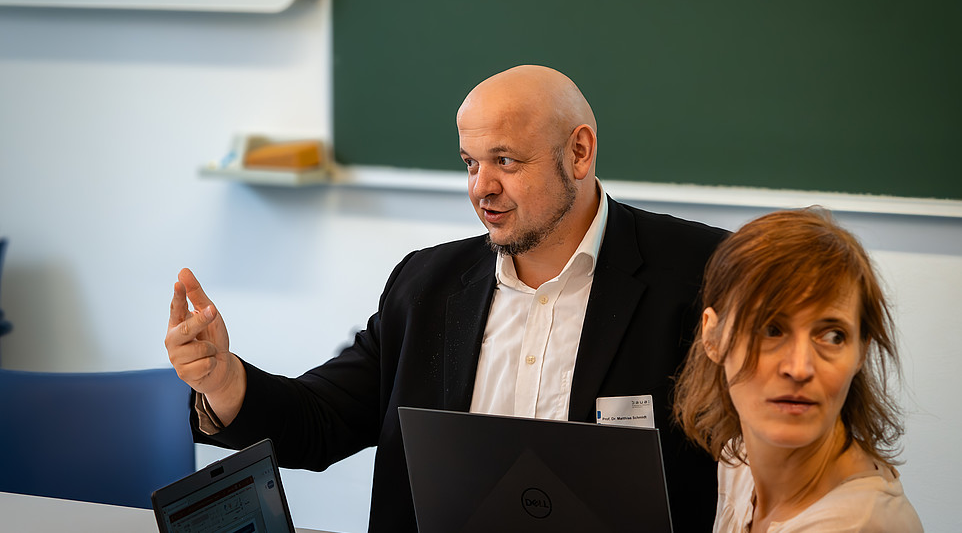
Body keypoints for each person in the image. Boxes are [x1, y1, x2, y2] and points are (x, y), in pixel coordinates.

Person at [166, 64, 728, 532]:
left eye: (505, 161)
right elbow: (322, 421)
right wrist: (224, 382)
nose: (481, 187)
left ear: (579, 153)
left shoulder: (703, 276)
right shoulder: (427, 285)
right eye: (470, 162)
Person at [673, 208, 924, 532]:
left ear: (861, 350)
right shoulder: (739, 461)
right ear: (712, 336)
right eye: (771, 330)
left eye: (833, 336)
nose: (800, 368)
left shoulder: (857, 524)